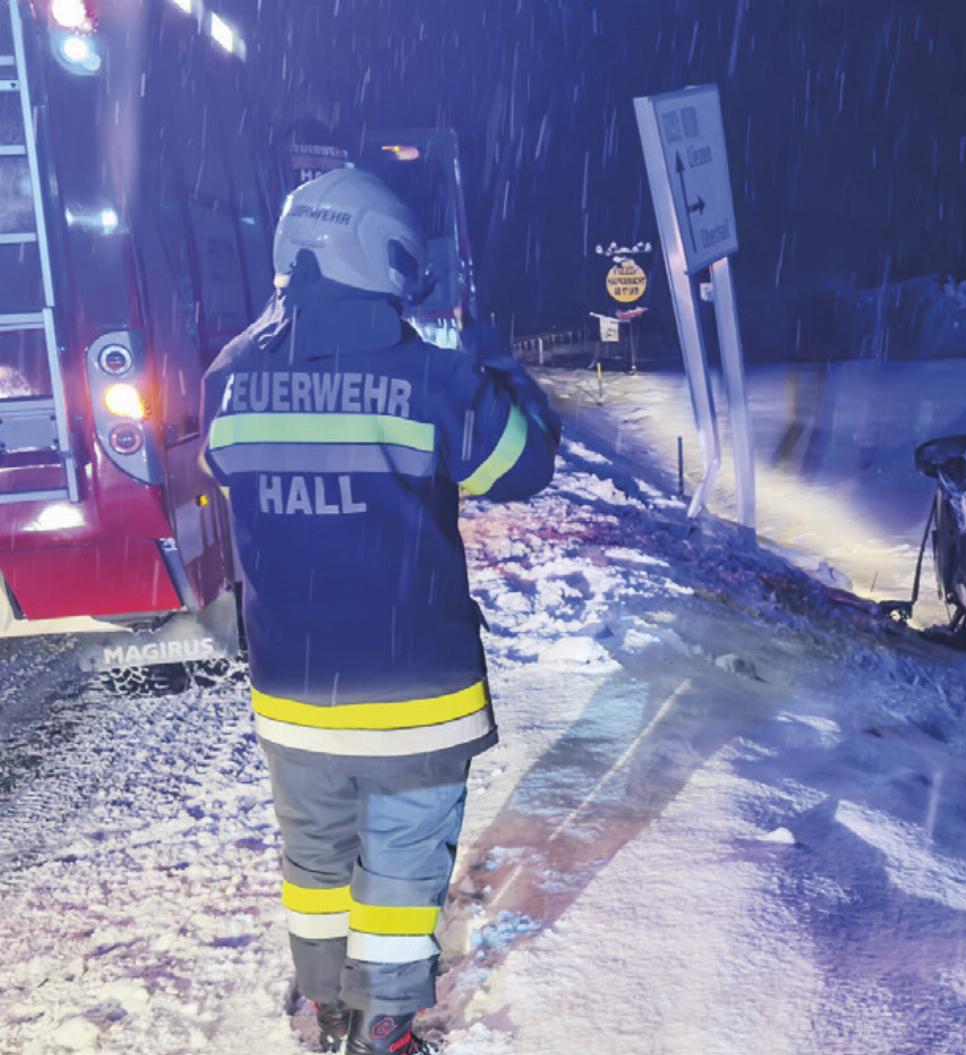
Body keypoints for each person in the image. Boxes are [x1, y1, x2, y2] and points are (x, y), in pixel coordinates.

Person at [202, 168, 559, 1055]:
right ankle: (387, 1028)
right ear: (377, 251)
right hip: (414, 698)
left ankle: (324, 1015)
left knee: (316, 867)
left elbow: (224, 470)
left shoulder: (228, 377)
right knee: (400, 873)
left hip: (293, 693)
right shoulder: (434, 379)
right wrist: (499, 367)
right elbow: (521, 466)